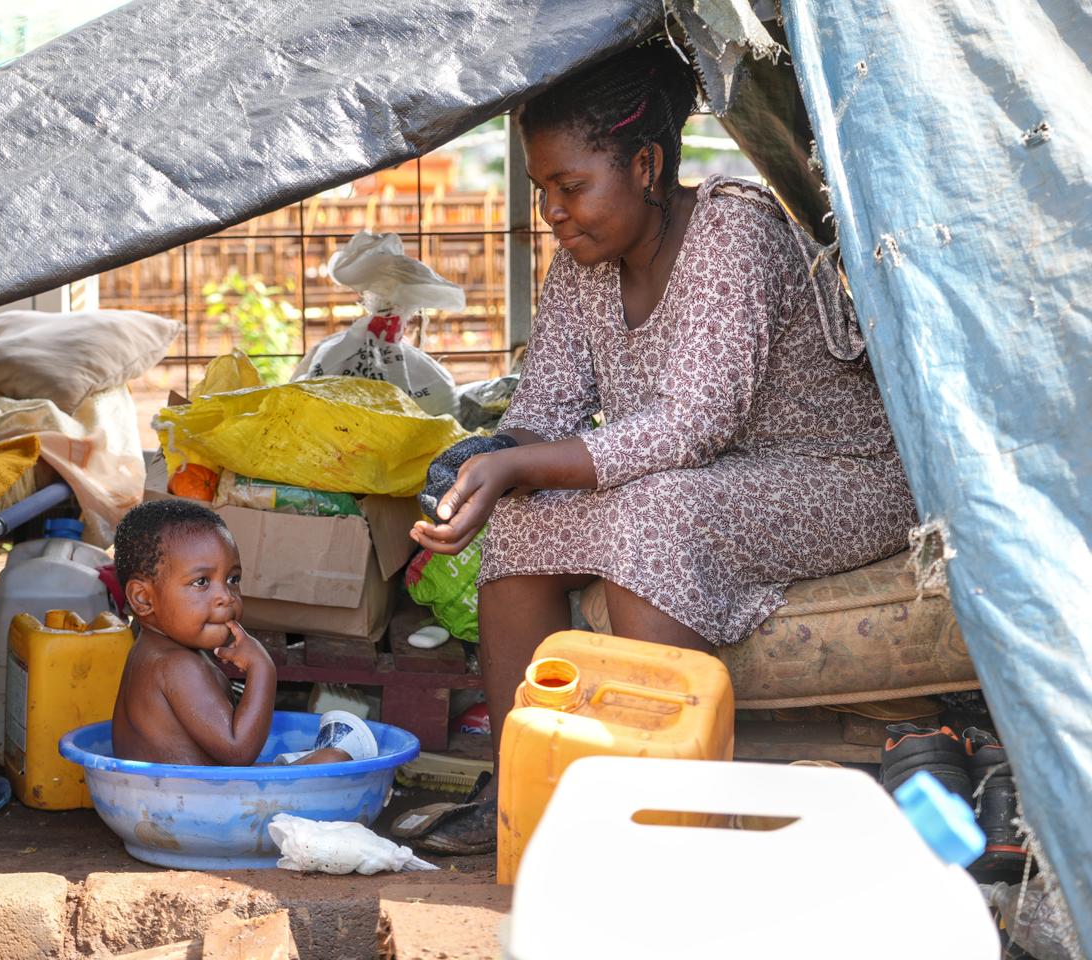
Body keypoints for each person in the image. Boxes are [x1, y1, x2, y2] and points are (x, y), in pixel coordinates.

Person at [406, 39, 917, 852]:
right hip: (718, 473)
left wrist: (517, 462)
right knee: (521, 520)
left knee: (655, 511)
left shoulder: (732, 233)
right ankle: (520, 793)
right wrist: (487, 461)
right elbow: (546, 410)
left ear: (645, 165)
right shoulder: (584, 263)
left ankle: (667, 812)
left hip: (841, 473)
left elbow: (691, 425)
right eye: (543, 191)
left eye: (572, 187)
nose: (554, 213)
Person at [111, 499, 375, 765]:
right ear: (143, 599)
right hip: (194, 802)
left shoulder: (150, 653)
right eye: (201, 582)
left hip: (159, 796)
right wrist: (262, 668)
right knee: (332, 760)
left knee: (299, 761)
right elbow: (238, 751)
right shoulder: (177, 665)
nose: (225, 596)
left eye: (232, 579)